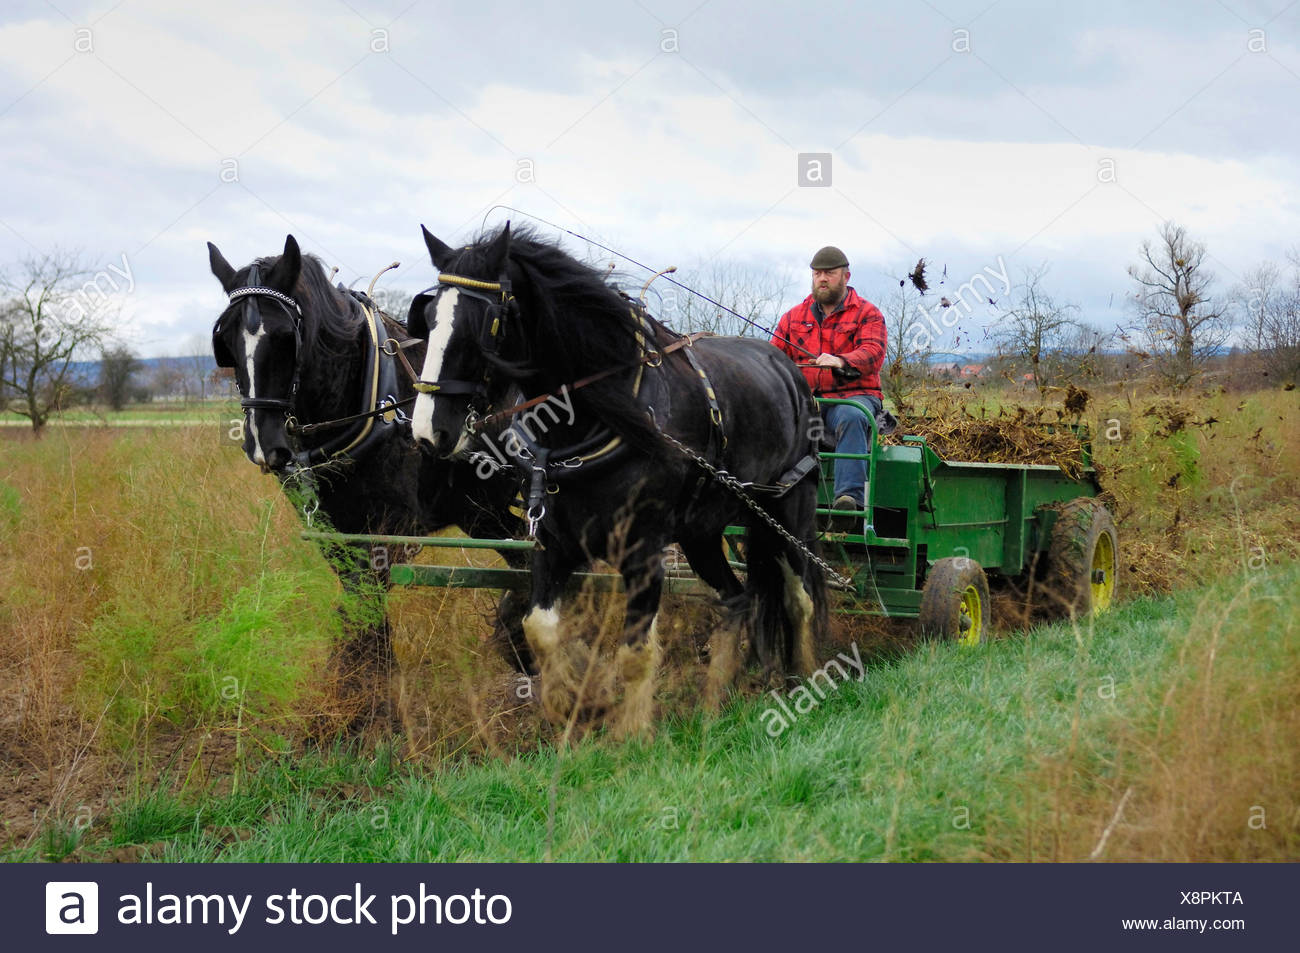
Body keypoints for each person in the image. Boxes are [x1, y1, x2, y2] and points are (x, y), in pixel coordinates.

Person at [771, 245, 886, 525]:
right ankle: (768, 496)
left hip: (854, 397)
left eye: (829, 273)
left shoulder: (867, 314)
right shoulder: (793, 317)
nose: (822, 279)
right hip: (807, 402)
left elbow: (873, 352)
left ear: (846, 276)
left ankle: (848, 501)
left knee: (851, 415)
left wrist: (841, 361)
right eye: (817, 273)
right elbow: (773, 358)